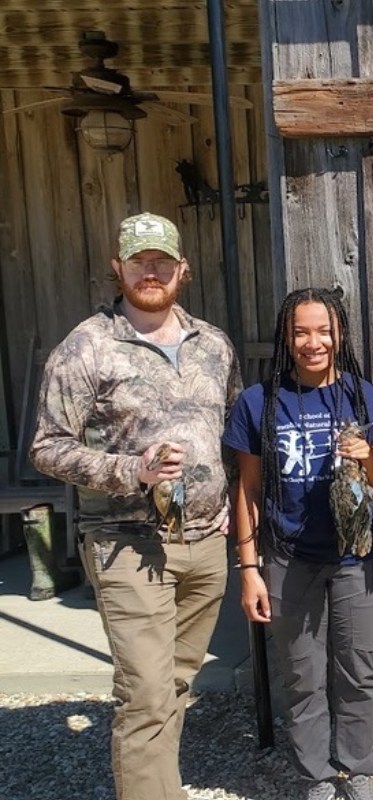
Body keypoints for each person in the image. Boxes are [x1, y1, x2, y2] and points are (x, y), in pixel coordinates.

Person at [30, 212, 240, 800]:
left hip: (205, 542)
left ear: (183, 269)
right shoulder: (86, 347)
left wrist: (227, 498)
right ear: (117, 267)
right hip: (126, 542)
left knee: (175, 684)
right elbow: (46, 446)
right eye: (139, 261)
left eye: (162, 262)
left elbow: (228, 431)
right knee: (145, 694)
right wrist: (131, 471)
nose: (151, 271)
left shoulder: (213, 344)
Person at [226, 288, 373, 800]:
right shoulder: (258, 402)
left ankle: (359, 770)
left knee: (359, 670)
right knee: (302, 676)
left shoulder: (363, 395)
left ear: (340, 334)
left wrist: (367, 454)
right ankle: (316, 777)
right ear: (286, 336)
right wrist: (249, 569)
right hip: (288, 557)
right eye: (300, 331)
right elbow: (248, 490)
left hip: (358, 557)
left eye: (324, 330)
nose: (313, 342)